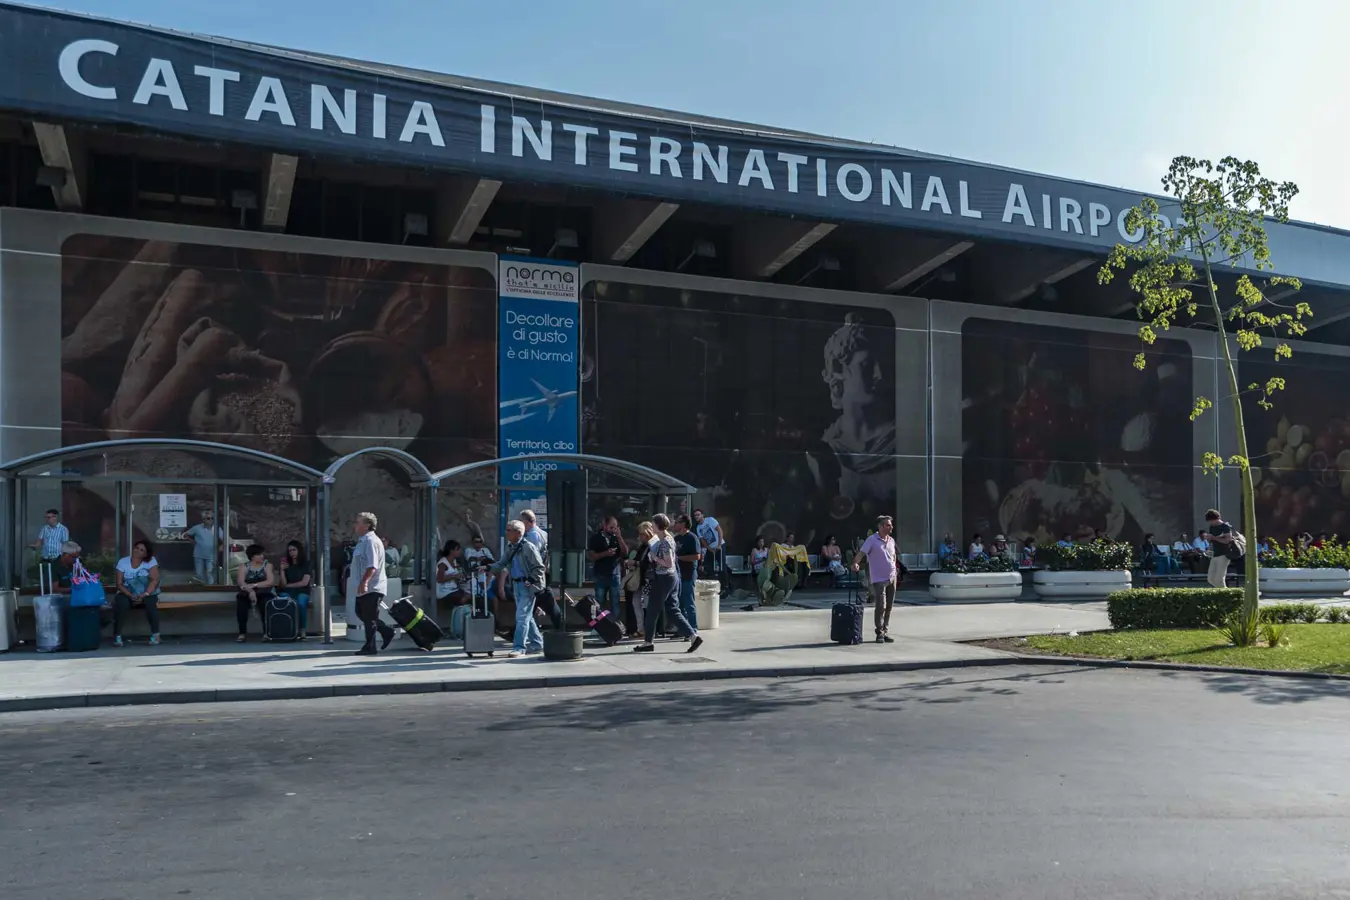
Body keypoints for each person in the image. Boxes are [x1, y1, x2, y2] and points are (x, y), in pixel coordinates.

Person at [633, 514, 702, 654]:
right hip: (671, 578)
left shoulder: (665, 541)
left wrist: (655, 558)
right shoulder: (669, 538)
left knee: (652, 610)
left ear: (658, 525)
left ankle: (648, 642)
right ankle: (693, 636)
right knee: (672, 609)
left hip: (664, 578)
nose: (651, 527)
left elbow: (668, 562)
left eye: (653, 524)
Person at [493, 519, 546, 657]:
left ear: (518, 533)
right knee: (526, 616)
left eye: (509, 530)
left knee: (521, 616)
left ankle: (519, 647)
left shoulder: (528, 547)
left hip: (527, 586)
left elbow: (540, 567)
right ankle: (537, 643)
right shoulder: (510, 547)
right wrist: (486, 567)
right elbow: (501, 563)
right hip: (516, 585)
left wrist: (531, 579)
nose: (506, 532)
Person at [351, 512, 394, 656]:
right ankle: (386, 631)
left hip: (372, 586)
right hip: (364, 586)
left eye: (358, 522)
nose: (355, 525)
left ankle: (370, 647)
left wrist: (364, 582)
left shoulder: (371, 541)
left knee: (369, 617)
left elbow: (372, 566)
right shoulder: (362, 541)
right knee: (361, 613)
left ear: (367, 525)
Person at [852, 515, 898, 644]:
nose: (891, 527)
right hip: (879, 579)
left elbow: (893, 556)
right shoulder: (872, 540)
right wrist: (855, 563)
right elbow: (861, 553)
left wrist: (895, 569)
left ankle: (885, 630)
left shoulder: (891, 540)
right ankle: (879, 633)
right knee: (880, 606)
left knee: (889, 606)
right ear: (881, 526)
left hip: (892, 577)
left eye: (891, 525)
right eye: (888, 525)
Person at [113, 538, 161, 647]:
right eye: (136, 548)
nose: (137, 551)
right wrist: (130, 595)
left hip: (146, 591)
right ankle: (117, 635)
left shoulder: (151, 561)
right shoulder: (123, 561)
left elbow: (154, 580)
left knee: (150, 603)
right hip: (127, 591)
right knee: (121, 603)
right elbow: (119, 584)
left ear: (146, 554)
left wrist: (145, 594)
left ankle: (155, 634)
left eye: (141, 550)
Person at [587, 516, 628, 619]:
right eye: (611, 527)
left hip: (615, 574)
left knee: (615, 600)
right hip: (600, 574)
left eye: (615, 527)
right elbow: (592, 556)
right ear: (604, 526)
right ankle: (601, 624)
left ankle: (614, 624)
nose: (613, 530)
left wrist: (619, 537)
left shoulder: (616, 537)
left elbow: (625, 552)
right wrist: (605, 553)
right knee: (599, 600)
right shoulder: (595, 538)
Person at [234, 544, 276, 643]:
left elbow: (270, 582)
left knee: (265, 603)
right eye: (259, 554)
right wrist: (250, 591)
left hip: (265, 591)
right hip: (247, 592)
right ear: (252, 556)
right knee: (241, 603)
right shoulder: (243, 566)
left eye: (262, 554)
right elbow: (241, 582)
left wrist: (254, 585)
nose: (262, 556)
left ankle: (267, 632)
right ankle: (242, 633)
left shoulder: (267, 565)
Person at [278, 540, 312, 637]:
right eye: (290, 551)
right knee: (284, 601)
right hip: (288, 591)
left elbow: (304, 582)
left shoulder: (306, 564)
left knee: (301, 603)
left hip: (302, 591)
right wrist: (282, 571)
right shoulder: (287, 565)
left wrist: (288, 585)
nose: (292, 552)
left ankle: (302, 630)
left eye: (294, 550)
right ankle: (289, 629)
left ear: (299, 550)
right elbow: (282, 584)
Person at [672, 514, 701, 631]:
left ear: (683, 524)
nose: (675, 524)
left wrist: (680, 558)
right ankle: (684, 629)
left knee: (689, 602)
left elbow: (697, 556)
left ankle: (693, 628)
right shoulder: (676, 538)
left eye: (677, 522)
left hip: (688, 574)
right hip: (677, 575)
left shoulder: (692, 538)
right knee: (680, 604)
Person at [1203, 508, 1241, 588]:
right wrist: (1209, 539)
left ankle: (1225, 594)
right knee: (1210, 579)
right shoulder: (1212, 527)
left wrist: (1213, 538)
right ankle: (1223, 592)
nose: (1210, 523)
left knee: (1219, 579)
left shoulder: (1225, 527)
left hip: (1224, 555)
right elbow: (1212, 540)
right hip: (1215, 554)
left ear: (1216, 519)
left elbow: (1227, 540)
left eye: (1211, 521)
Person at [184, 510, 223, 584]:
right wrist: (192, 541)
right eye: (208, 518)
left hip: (211, 555)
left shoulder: (217, 528)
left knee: (210, 574)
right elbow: (186, 534)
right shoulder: (197, 528)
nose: (211, 520)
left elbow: (224, 539)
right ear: (203, 519)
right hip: (199, 555)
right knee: (199, 575)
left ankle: (211, 590)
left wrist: (221, 546)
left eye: (212, 518)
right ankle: (200, 591)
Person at [693, 508, 724, 579]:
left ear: (702, 515)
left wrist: (719, 545)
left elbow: (720, 531)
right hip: (711, 548)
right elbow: (703, 540)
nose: (696, 517)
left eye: (698, 515)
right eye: (695, 515)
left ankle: (726, 585)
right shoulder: (698, 528)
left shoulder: (710, 520)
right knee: (708, 565)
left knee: (721, 565)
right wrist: (710, 549)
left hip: (720, 545)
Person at [463, 534, 496, 599]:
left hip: (486, 571)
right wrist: (479, 558)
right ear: (473, 543)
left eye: (480, 542)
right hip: (475, 573)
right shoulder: (468, 550)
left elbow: (492, 560)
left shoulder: (485, 550)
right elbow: (469, 559)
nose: (478, 544)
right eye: (476, 542)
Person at [435, 539, 465, 608]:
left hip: (453, 589)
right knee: (466, 596)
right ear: (451, 551)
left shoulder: (454, 561)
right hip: (444, 592)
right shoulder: (443, 564)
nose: (460, 551)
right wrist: (454, 576)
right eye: (457, 549)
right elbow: (439, 579)